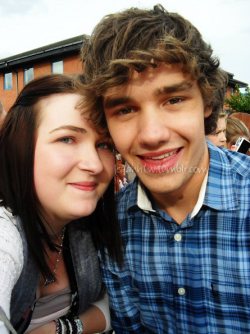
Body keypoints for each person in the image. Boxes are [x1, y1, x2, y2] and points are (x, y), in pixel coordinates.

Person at [81, 4, 250, 333]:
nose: (152, 134)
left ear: (208, 103)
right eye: (125, 109)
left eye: (173, 100)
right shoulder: (112, 228)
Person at [0, 74, 123, 334]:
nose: (95, 164)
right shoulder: (5, 232)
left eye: (103, 144)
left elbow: (122, 300)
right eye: (67, 139)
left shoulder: (93, 225)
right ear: (19, 147)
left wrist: (63, 328)